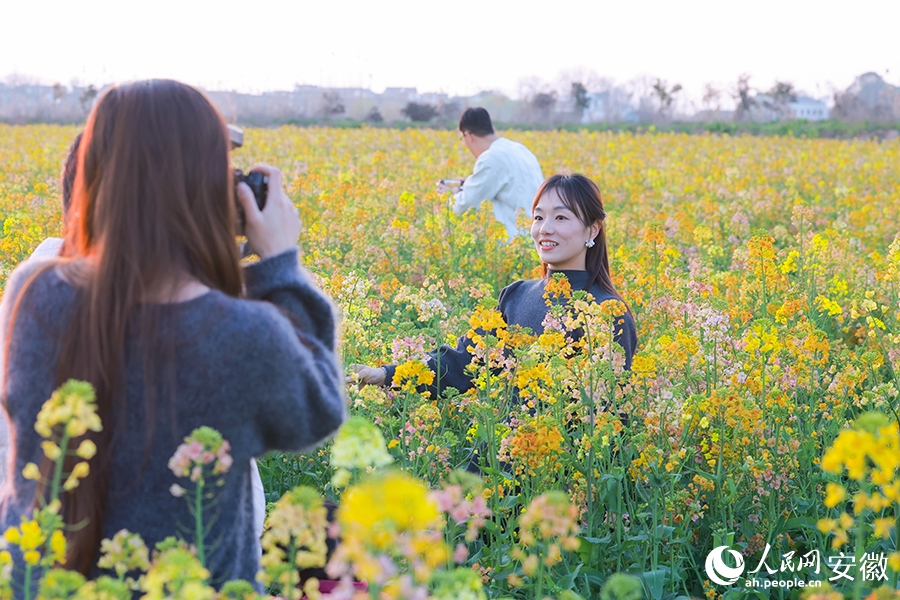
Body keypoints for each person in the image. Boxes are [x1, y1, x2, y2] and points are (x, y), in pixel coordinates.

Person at [0, 80, 346, 586]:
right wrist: (280, 267)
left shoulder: (33, 294)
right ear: (209, 193)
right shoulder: (244, 333)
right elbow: (316, 412)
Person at [353, 173, 637, 395]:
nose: (544, 228)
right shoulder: (515, 295)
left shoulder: (606, 311)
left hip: (558, 466)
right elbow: (463, 363)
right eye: (538, 217)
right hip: (496, 459)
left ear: (593, 229)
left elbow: (608, 412)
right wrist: (386, 375)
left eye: (561, 217)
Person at [437, 107, 544, 239]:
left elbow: (465, 205)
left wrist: (447, 196)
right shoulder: (521, 149)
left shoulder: (491, 158)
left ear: (468, 136)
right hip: (536, 236)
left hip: (514, 243)